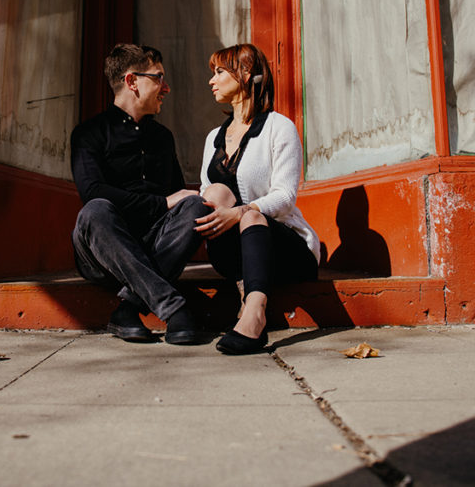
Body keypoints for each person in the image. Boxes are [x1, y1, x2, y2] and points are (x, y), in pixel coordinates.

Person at [71, 43, 207, 345]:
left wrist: (175, 202)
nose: (166, 88)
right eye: (158, 78)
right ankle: (173, 308)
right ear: (132, 81)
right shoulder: (88, 133)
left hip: (154, 248)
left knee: (196, 205)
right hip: (102, 252)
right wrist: (162, 202)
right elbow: (91, 191)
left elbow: (177, 203)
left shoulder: (163, 137)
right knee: (95, 210)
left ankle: (127, 309)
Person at [194, 43, 321, 355]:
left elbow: (286, 197)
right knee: (213, 193)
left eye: (219, 72)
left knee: (251, 215)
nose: (212, 80)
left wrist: (240, 212)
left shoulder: (280, 127)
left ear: (245, 73)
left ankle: (254, 315)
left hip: (284, 248)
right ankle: (243, 284)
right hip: (230, 251)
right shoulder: (213, 138)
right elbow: (204, 192)